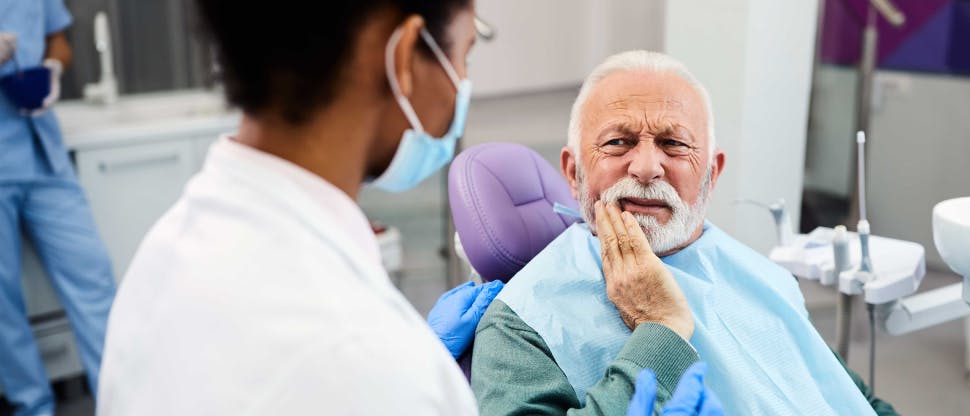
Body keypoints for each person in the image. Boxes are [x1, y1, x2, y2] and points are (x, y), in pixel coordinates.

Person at [96, 2, 723, 415]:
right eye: (464, 54)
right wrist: (659, 343)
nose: (646, 165)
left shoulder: (164, 256)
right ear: (403, 60)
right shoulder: (373, 364)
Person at [470, 50, 900, 415]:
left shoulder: (757, 272)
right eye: (618, 142)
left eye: (673, 144)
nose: (645, 168)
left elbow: (845, 392)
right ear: (574, 172)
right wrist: (660, 332)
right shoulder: (520, 326)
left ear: (711, 174)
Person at [0, 1, 117, 415]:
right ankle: (33, 407)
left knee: (95, 279)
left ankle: (122, 399)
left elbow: (58, 40)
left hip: (45, 154)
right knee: (3, 305)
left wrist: (52, 67)